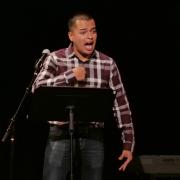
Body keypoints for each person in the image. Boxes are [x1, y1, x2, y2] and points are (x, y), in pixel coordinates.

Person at [32, 11, 135, 180]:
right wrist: (70, 76)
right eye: (83, 32)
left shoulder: (107, 63)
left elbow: (121, 105)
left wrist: (128, 144)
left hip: (93, 136)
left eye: (93, 31)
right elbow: (38, 88)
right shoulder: (55, 58)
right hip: (60, 135)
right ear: (71, 36)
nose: (90, 36)